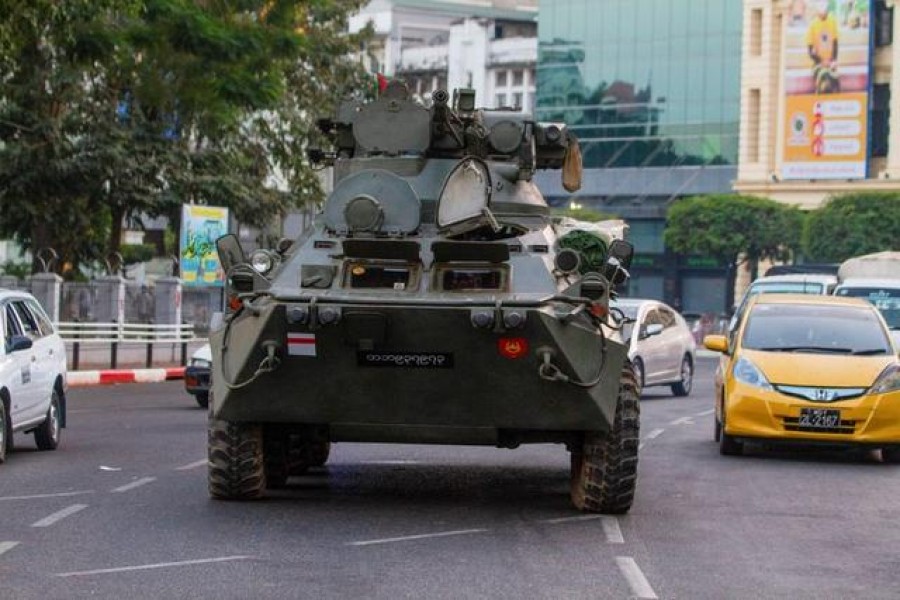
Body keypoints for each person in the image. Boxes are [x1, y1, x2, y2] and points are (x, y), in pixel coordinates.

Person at [806, 0, 840, 93]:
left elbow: (835, 42)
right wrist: (821, 61)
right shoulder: (813, 25)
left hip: (831, 62)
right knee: (823, 77)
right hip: (818, 64)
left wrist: (833, 60)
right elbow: (810, 50)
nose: (822, 14)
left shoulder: (832, 21)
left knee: (834, 78)